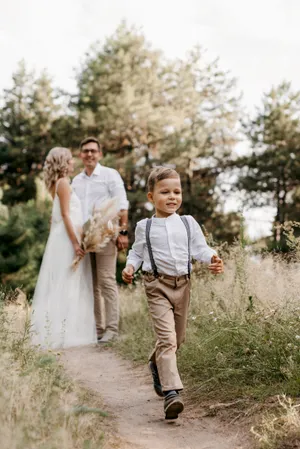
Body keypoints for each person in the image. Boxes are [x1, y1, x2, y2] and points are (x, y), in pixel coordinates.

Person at [122, 166, 224, 420]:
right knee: (167, 340)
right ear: (150, 197)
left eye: (176, 192)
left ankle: (156, 363)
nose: (172, 197)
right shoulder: (145, 226)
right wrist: (130, 266)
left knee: (178, 340)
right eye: (165, 192)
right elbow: (136, 252)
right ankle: (171, 394)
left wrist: (212, 257)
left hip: (183, 285)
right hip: (156, 286)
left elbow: (200, 249)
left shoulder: (188, 223)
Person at [31, 147, 97, 349]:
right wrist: (76, 242)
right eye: (69, 160)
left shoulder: (55, 183)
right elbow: (67, 215)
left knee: (63, 281)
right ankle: (65, 333)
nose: (73, 163)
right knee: (68, 282)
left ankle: (62, 329)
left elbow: (58, 216)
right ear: (62, 163)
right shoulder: (63, 183)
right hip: (67, 238)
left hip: (61, 236)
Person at [72, 137, 129, 343]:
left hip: (106, 233)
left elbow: (122, 203)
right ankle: (97, 329)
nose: (89, 154)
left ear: (100, 154)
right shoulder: (76, 181)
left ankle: (112, 329)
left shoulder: (109, 175)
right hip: (85, 236)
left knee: (106, 280)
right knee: (91, 284)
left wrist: (123, 232)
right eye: (86, 151)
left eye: (93, 151)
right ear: (80, 155)